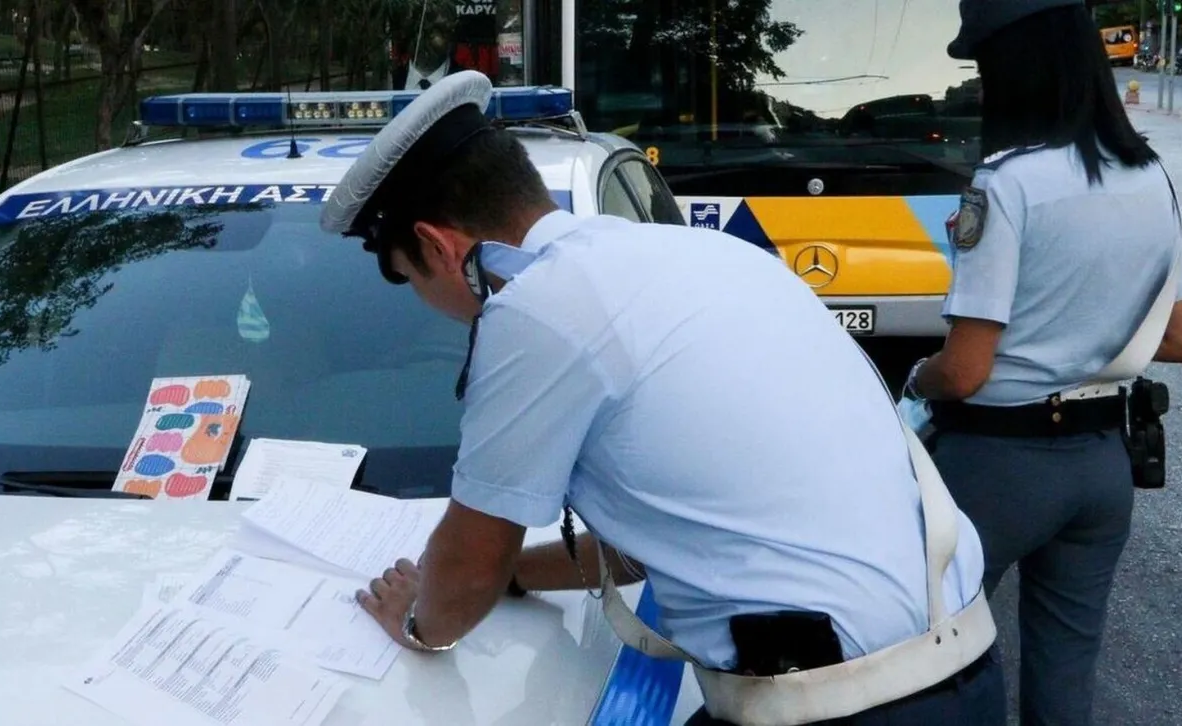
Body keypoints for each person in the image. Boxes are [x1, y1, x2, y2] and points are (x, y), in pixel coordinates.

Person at [322, 70, 1006, 725]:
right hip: (956, 669)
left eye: (410, 277)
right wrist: (519, 575)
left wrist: (417, 621)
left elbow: (468, 574)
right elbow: (684, 524)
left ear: (438, 247)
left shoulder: (540, 309)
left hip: (838, 705)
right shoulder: (706, 257)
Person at [903, 2, 1182, 725]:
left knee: (926, 663)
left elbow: (965, 371)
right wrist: (1081, 338)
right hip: (1102, 467)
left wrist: (916, 377)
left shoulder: (1004, 184)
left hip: (994, 466)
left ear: (1015, 68)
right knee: (1065, 676)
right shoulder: (1149, 176)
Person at [393, 2, 466, 91]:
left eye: (435, 30)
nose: (423, 37)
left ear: (451, 33)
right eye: (417, 28)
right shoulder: (389, 81)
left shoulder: (467, 83)